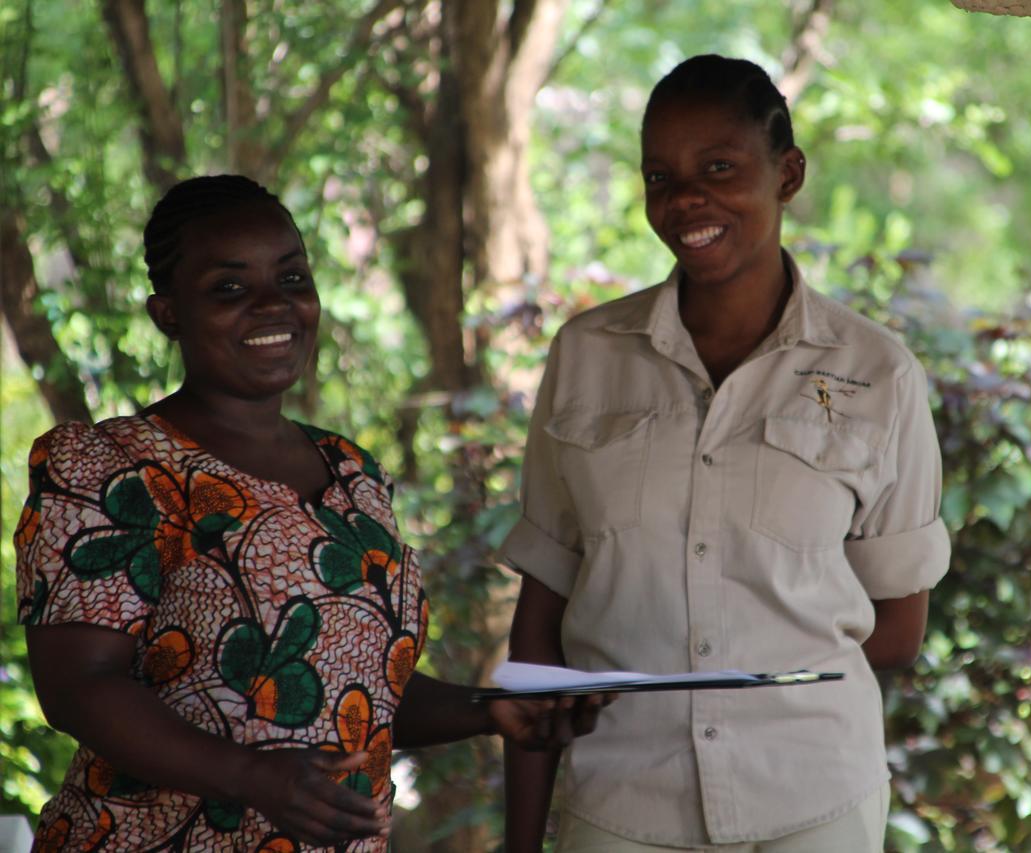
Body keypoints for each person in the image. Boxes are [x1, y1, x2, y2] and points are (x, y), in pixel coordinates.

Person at [14, 175, 606, 852]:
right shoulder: (106, 467)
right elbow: (78, 687)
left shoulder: (353, 476)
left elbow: (355, 690)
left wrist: (488, 710)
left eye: (292, 277)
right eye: (230, 288)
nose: (274, 305)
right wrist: (253, 776)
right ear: (167, 312)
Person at [501, 55, 950, 852]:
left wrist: (747, 681)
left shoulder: (876, 372)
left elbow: (899, 625)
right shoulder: (588, 356)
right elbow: (540, 626)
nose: (685, 199)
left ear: (789, 172)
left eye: (719, 167)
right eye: (659, 175)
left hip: (814, 803)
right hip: (621, 801)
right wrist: (524, 835)